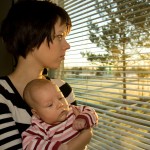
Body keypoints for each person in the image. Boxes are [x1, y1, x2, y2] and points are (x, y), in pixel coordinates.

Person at [0, 0, 93, 149]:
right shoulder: (2, 95)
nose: (67, 45)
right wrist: (84, 137)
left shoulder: (62, 88)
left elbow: (76, 134)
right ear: (32, 37)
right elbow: (81, 138)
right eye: (59, 36)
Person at [22, 79, 98, 150]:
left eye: (60, 98)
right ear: (36, 113)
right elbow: (29, 145)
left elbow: (91, 111)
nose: (60, 104)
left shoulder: (73, 111)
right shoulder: (40, 128)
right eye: (50, 105)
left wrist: (83, 118)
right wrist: (58, 147)